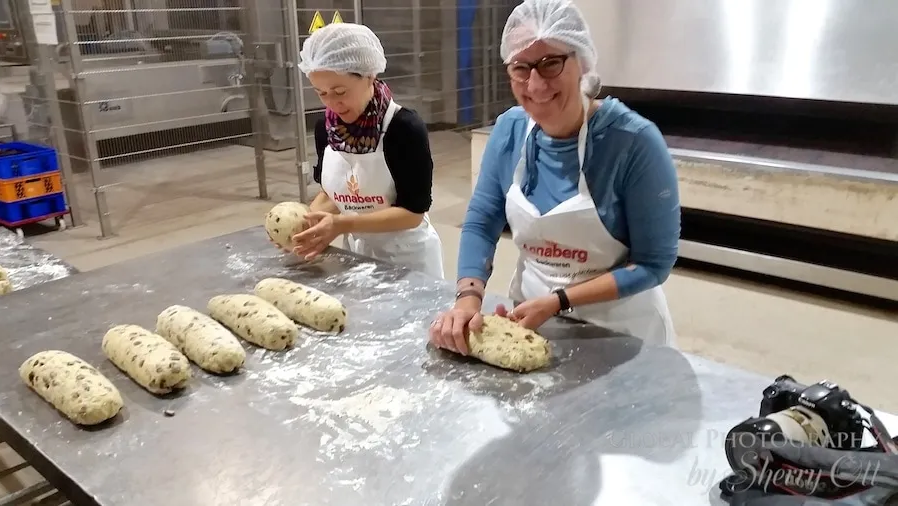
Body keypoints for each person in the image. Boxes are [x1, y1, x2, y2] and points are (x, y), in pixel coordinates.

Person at [429, 0, 681, 353]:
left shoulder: (633, 142)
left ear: (582, 62)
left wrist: (558, 300)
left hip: (624, 332)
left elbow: (654, 264)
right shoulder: (509, 132)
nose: (535, 84)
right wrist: (468, 297)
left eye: (550, 64)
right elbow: (482, 220)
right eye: (520, 67)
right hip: (531, 323)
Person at [286, 23, 445, 279]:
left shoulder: (403, 128)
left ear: (369, 75)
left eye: (340, 91)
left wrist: (341, 225)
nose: (332, 103)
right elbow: (332, 196)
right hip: (356, 257)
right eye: (321, 93)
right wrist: (303, 225)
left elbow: (412, 214)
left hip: (409, 260)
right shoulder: (326, 129)